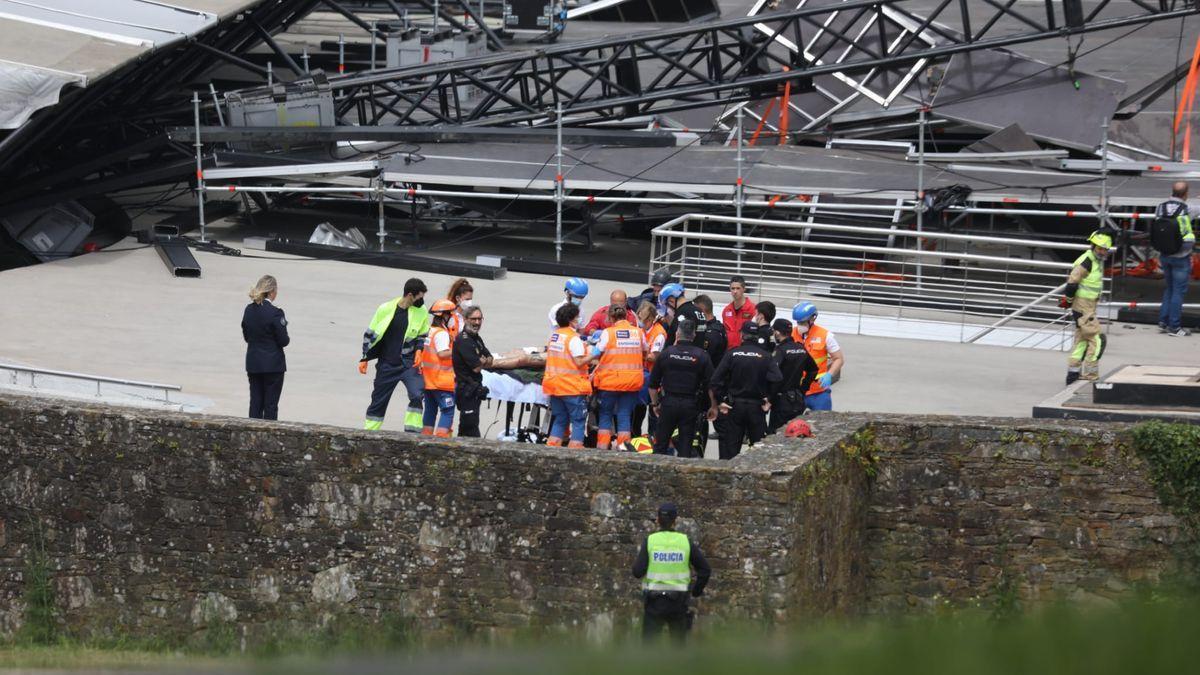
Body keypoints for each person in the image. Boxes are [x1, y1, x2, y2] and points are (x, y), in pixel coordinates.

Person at [632, 503, 711, 643]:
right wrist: (696, 591)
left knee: (649, 650)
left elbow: (637, 572)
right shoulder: (685, 542)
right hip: (678, 603)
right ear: (676, 521)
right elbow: (705, 569)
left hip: (654, 602)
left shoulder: (650, 541)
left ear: (657, 520)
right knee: (678, 649)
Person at [360, 278, 430, 431]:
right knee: (378, 400)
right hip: (387, 364)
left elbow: (423, 334)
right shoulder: (385, 309)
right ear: (410, 295)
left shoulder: (421, 311)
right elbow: (371, 332)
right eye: (420, 297)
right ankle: (370, 432)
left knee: (417, 395)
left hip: (408, 364)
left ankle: (413, 433)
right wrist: (365, 357)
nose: (422, 301)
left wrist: (419, 350)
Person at [710, 323, 782, 459]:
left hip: (734, 407)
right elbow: (778, 378)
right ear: (757, 337)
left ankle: (729, 477)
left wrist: (721, 401)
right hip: (757, 407)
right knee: (758, 451)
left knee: (730, 451)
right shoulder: (765, 356)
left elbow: (715, 380)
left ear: (741, 335)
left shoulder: (732, 353)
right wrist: (769, 399)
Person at [648, 319, 715, 457]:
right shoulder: (702, 355)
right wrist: (713, 406)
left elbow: (653, 385)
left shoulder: (666, 353)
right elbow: (711, 385)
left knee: (660, 445)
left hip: (668, 403)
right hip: (690, 404)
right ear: (694, 335)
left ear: (677, 334)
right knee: (685, 446)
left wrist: (655, 404)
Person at [593, 304, 647, 449]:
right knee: (624, 415)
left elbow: (596, 352)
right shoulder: (638, 332)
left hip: (609, 382)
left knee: (605, 414)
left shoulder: (607, 333)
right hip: (632, 382)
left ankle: (602, 448)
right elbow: (645, 351)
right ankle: (623, 449)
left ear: (610, 317)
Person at [1061, 231, 1113, 384]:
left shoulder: (1095, 261)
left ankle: (1073, 374)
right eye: (1100, 249)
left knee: (1082, 340)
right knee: (1097, 339)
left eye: (1105, 249)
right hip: (1083, 306)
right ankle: (1091, 375)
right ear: (1093, 246)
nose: (1103, 252)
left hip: (1087, 306)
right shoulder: (1087, 261)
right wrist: (1069, 300)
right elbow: (1072, 282)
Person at [544, 302, 593, 448]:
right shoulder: (573, 338)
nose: (579, 320)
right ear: (571, 320)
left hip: (555, 386)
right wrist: (594, 352)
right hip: (571, 388)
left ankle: (551, 450)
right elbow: (579, 361)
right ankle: (575, 452)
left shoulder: (555, 336)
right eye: (577, 317)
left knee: (560, 419)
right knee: (578, 420)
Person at [242, 274, 289, 420]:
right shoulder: (275, 313)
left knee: (255, 403)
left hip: (254, 363)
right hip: (273, 366)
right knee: (270, 405)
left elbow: (247, 336)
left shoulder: (248, 310)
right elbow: (283, 340)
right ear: (271, 291)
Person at [1152, 182, 1196, 337]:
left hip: (1165, 254)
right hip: (1181, 256)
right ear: (1186, 194)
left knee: (1169, 289)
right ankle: (1175, 327)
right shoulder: (1188, 209)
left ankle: (1163, 322)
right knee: (1178, 291)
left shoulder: (1160, 207)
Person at [790, 302, 844, 412]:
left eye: (803, 322)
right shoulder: (790, 334)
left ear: (813, 319)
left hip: (818, 392)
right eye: (798, 322)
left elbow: (839, 359)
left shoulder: (825, 336)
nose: (800, 325)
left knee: (823, 423)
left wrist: (830, 374)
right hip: (795, 391)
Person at [768, 318, 817, 434]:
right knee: (795, 433)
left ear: (778, 332)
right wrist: (802, 389)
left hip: (781, 400)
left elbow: (775, 376)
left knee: (776, 434)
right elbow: (813, 370)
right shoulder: (801, 348)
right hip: (797, 399)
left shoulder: (780, 351)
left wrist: (770, 397)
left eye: (774, 331)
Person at [452, 305, 492, 437]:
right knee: (469, 426)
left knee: (470, 424)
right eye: (474, 319)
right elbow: (476, 368)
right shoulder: (463, 340)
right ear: (465, 319)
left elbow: (490, 359)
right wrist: (482, 361)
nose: (477, 322)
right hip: (466, 390)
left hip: (474, 389)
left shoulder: (476, 338)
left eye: (480, 319)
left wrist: (483, 360)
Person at [420, 299, 458, 437]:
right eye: (451, 315)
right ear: (445, 316)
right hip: (442, 381)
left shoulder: (430, 331)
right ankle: (441, 441)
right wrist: (458, 351)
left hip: (429, 381)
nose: (453, 318)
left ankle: (425, 438)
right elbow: (442, 353)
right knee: (447, 410)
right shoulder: (442, 334)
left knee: (430, 411)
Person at [633, 300, 667, 437]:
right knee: (637, 412)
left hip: (654, 379)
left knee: (654, 412)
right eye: (639, 318)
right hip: (641, 377)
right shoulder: (641, 330)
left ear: (651, 319)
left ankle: (654, 440)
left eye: (642, 319)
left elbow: (654, 356)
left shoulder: (659, 333)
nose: (640, 322)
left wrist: (637, 352)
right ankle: (635, 437)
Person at [722, 276, 757, 350]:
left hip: (746, 351)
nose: (735, 291)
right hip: (729, 351)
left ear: (744, 289)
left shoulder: (753, 309)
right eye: (733, 288)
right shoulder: (726, 310)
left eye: (738, 288)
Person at [692, 295, 727, 364]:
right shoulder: (713, 326)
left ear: (701, 309)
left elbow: (703, 358)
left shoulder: (712, 332)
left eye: (694, 310)